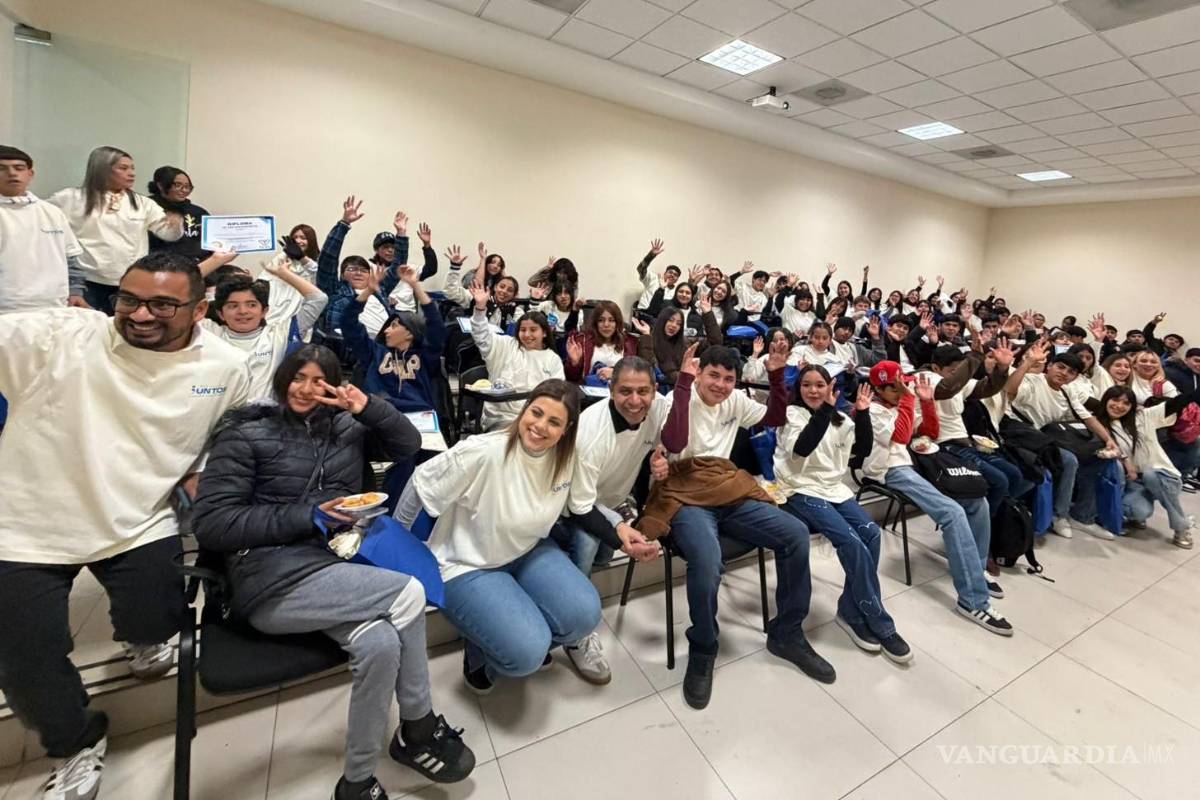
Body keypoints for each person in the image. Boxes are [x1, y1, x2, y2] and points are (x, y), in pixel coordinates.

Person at [0, 252, 250, 800]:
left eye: (161, 304)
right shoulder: (62, 334)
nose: (139, 314)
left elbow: (225, 437)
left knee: (157, 617)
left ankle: (142, 640)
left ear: (200, 310)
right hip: (27, 525)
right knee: (23, 658)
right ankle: (75, 743)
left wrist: (202, 472)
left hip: (139, 519)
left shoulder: (226, 367)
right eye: (129, 299)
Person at [193, 346, 474, 800]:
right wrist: (309, 515)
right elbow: (213, 523)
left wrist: (368, 408)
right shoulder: (247, 433)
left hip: (339, 566)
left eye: (318, 381)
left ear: (333, 385)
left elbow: (407, 445)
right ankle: (419, 725)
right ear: (282, 379)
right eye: (297, 378)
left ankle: (357, 781)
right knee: (407, 592)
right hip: (273, 579)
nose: (306, 389)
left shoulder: (346, 427)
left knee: (381, 645)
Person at [396, 380, 602, 694]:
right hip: (468, 564)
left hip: (526, 550)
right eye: (536, 413)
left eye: (554, 422)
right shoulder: (484, 451)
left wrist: (621, 527)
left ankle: (509, 628)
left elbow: (584, 505)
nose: (540, 426)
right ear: (524, 410)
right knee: (527, 654)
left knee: (585, 615)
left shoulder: (567, 457)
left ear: (566, 430)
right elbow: (419, 483)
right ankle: (482, 654)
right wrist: (399, 551)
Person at [661, 342, 834, 709]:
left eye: (729, 379)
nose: (721, 385)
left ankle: (786, 633)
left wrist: (776, 374)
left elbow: (775, 419)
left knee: (795, 534)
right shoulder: (678, 397)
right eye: (713, 375)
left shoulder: (735, 400)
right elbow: (673, 441)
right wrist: (683, 383)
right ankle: (704, 645)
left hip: (726, 487)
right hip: (686, 493)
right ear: (699, 372)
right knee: (708, 561)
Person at [554, 353, 693, 682]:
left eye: (643, 391)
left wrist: (659, 459)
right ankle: (575, 631)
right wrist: (622, 538)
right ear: (611, 390)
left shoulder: (656, 406)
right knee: (587, 545)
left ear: (654, 390)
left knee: (602, 557)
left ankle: (572, 590)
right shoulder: (591, 431)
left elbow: (675, 441)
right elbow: (581, 506)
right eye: (625, 391)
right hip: (574, 501)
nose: (635, 401)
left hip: (613, 499)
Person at [863, 362, 1011, 635]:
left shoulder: (898, 405)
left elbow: (929, 433)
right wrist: (909, 400)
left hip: (916, 464)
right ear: (878, 390)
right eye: (893, 388)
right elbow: (901, 436)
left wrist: (927, 402)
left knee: (978, 502)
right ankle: (973, 601)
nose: (901, 391)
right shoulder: (872, 411)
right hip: (889, 470)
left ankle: (976, 570)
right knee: (952, 512)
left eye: (902, 386)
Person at [775, 367, 912, 663]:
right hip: (800, 488)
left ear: (830, 387)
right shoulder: (792, 415)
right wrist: (826, 410)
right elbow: (802, 448)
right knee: (852, 543)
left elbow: (861, 450)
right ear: (798, 389)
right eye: (807, 385)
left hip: (833, 488)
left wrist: (862, 414)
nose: (813, 390)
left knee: (871, 534)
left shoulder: (840, 418)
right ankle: (878, 619)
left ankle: (850, 611)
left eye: (820, 385)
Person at [50, 146, 184, 311]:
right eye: (123, 168)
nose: (131, 173)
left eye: (132, 168)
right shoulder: (69, 198)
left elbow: (168, 234)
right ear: (102, 170)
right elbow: (44, 222)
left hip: (130, 282)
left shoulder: (142, 203)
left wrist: (175, 225)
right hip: (87, 282)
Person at [1008, 346, 1119, 540]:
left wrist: (1109, 439)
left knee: (1100, 457)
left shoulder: (1067, 392)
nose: (1064, 373)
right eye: (1060, 367)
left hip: (1044, 438)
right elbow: (1009, 391)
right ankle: (1059, 515)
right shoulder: (1033, 381)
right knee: (1069, 460)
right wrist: (1027, 363)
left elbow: (1087, 418)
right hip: (1019, 435)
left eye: (1071, 372)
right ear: (1049, 366)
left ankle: (1083, 516)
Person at [925, 342, 1033, 520]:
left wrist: (1002, 369)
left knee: (1015, 474)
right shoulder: (925, 378)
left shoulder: (959, 382)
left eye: (961, 371)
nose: (959, 376)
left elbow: (988, 388)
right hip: (944, 446)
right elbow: (947, 388)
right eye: (954, 371)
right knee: (999, 481)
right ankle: (985, 524)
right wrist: (975, 356)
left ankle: (997, 521)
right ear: (936, 368)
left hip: (966, 444)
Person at [1091, 384, 1199, 549]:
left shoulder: (1143, 417)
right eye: (1115, 400)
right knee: (1139, 511)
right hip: (1133, 482)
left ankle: (1181, 527)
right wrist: (1125, 460)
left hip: (1163, 476)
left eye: (1126, 403)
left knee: (1151, 474)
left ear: (1132, 406)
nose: (1119, 406)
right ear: (1106, 400)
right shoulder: (1097, 424)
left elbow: (1178, 402)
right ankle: (1133, 514)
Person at [200, 261, 328, 401]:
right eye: (233, 306)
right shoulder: (209, 332)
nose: (242, 311)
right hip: (221, 411)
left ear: (264, 311)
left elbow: (319, 299)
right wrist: (216, 259)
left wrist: (284, 273)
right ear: (221, 314)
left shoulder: (280, 334)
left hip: (265, 412)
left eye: (251, 305)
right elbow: (181, 289)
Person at [467, 279, 564, 430]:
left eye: (533, 330)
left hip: (537, 421)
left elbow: (557, 394)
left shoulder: (552, 358)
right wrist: (480, 308)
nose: (527, 335)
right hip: (501, 418)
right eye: (523, 330)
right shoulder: (505, 345)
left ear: (544, 333)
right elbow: (481, 335)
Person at [0, 145, 87, 312]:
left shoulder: (52, 212)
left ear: (30, 174)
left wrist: (75, 292)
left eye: (19, 168)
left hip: (55, 305)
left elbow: (70, 258)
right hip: (6, 309)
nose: (12, 173)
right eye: (2, 169)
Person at [564, 299, 638, 385]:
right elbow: (571, 379)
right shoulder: (583, 341)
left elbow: (638, 374)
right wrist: (574, 363)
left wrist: (616, 373)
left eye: (611, 320)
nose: (606, 325)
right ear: (595, 323)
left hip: (620, 390)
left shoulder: (629, 343)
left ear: (617, 323)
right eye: (601, 320)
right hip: (589, 389)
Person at [146, 166, 209, 261]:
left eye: (187, 186)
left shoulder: (198, 212)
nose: (184, 190)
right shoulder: (147, 208)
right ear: (161, 186)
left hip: (197, 264)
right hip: (159, 264)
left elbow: (211, 244)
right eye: (178, 185)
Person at [634, 238, 677, 318]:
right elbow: (640, 269)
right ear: (664, 273)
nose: (672, 275)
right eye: (670, 272)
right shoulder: (653, 278)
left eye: (675, 275)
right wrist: (650, 256)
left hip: (660, 319)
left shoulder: (676, 291)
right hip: (643, 313)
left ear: (676, 279)